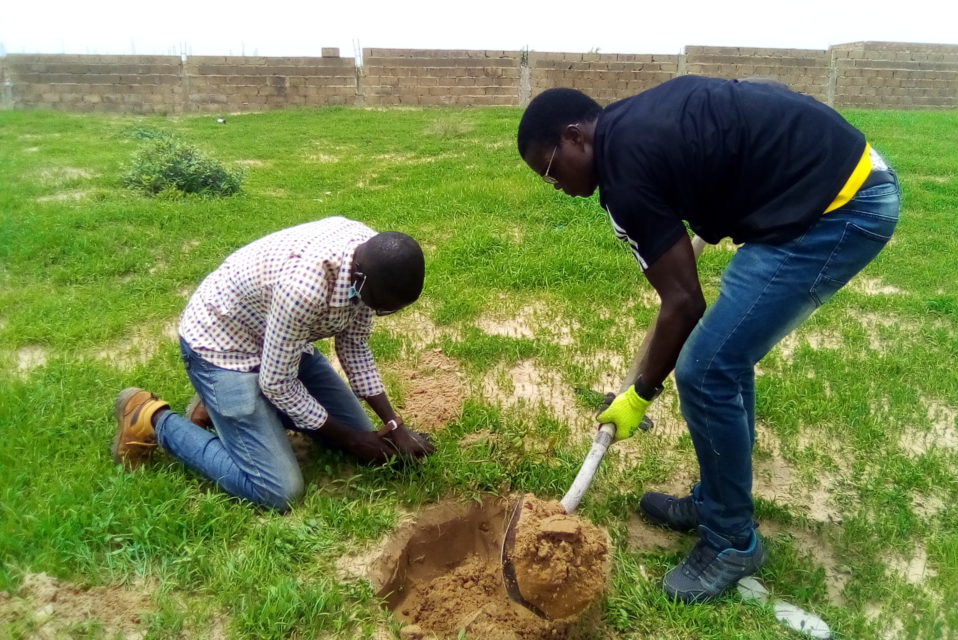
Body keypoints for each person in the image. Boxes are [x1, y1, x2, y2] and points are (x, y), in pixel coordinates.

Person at [517, 77, 899, 603]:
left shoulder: (625, 173)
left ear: (576, 136)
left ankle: (731, 542)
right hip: (815, 193)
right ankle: (719, 501)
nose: (554, 185)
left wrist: (639, 393)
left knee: (707, 368)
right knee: (725, 359)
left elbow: (683, 301)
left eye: (551, 169)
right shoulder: (632, 132)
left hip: (838, 208)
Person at [111, 216, 435, 511]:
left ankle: (219, 407)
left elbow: (354, 345)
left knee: (366, 436)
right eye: (380, 306)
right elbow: (278, 383)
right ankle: (153, 419)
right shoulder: (305, 289)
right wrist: (348, 438)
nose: (379, 313)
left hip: (278, 343)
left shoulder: (370, 260)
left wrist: (395, 424)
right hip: (223, 348)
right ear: (361, 279)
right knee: (279, 491)